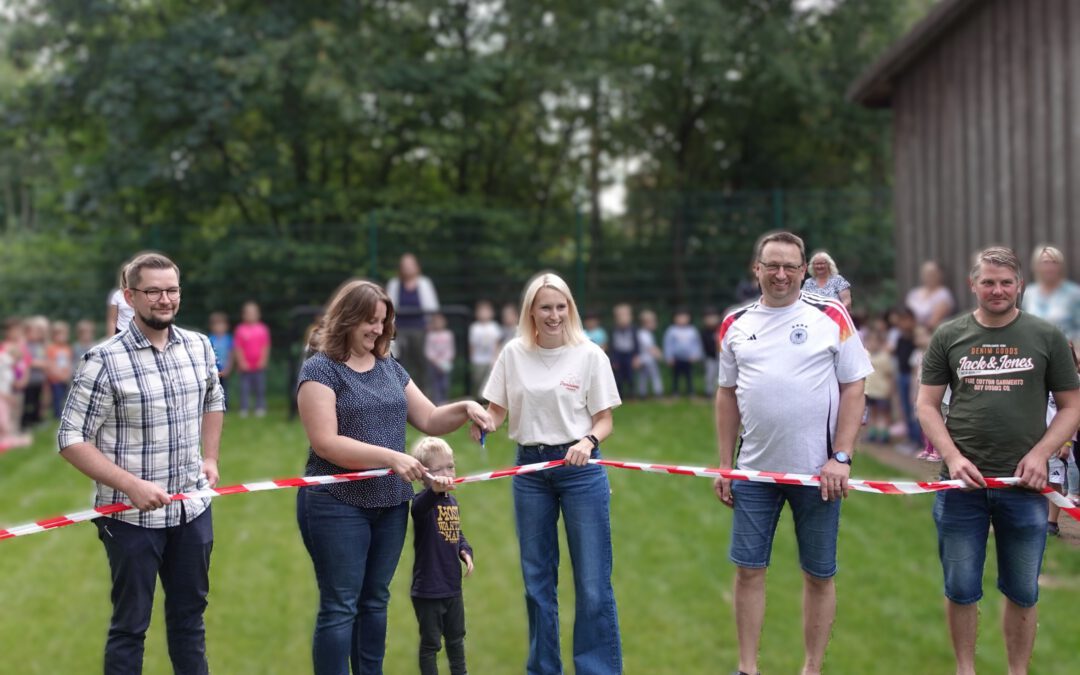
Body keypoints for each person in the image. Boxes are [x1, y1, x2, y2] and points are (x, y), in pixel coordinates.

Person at [294, 279, 492, 675]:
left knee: (375, 601)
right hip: (336, 505)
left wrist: (467, 407)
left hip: (390, 503)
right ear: (347, 318)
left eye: (383, 321)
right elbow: (326, 443)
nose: (378, 329)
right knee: (340, 605)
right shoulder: (319, 370)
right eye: (370, 321)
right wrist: (390, 457)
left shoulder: (388, 366)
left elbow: (429, 417)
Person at [57, 252, 225, 675]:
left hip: (192, 510)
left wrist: (210, 457)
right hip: (130, 519)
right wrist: (130, 484)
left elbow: (213, 400)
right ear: (129, 296)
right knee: (130, 627)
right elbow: (70, 438)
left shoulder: (198, 347)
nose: (164, 299)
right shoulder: (103, 360)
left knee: (190, 622)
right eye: (153, 291)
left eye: (172, 290)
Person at [916, 246, 1080, 675]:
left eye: (1006, 282)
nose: (997, 290)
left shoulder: (1046, 337)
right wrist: (952, 457)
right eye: (988, 282)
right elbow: (927, 405)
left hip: (1025, 486)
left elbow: (1072, 406)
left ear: (1020, 285)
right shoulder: (949, 335)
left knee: (1023, 589)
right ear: (973, 284)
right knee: (960, 586)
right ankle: (965, 669)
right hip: (960, 485)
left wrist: (1041, 454)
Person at [713, 231, 871, 675]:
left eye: (789, 266)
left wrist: (841, 457)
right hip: (753, 473)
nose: (780, 274)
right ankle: (747, 668)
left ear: (803, 271)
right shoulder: (735, 323)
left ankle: (812, 668)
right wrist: (724, 465)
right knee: (748, 570)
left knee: (819, 574)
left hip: (819, 475)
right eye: (772, 265)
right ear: (757, 269)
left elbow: (855, 386)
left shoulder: (831, 314)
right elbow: (726, 394)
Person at [476, 271, 622, 675]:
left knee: (592, 584)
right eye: (545, 307)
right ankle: (544, 668)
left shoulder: (589, 354)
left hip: (580, 470)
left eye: (561, 306)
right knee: (537, 583)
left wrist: (587, 442)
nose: (554, 315)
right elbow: (496, 411)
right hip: (530, 472)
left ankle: (597, 669)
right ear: (531, 312)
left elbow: (605, 419)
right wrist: (483, 422)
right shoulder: (513, 353)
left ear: (569, 309)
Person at [409, 436, 474, 675]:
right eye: (438, 470)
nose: (447, 473)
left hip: (452, 587)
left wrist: (465, 551)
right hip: (428, 590)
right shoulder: (422, 503)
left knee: (456, 640)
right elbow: (418, 508)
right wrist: (434, 490)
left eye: (450, 466)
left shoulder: (452, 501)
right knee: (431, 644)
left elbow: (456, 533)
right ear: (423, 475)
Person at [1022, 245, 1080, 511]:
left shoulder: (1073, 294)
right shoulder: (1031, 294)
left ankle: (1065, 479)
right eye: (1044, 262)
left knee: (1063, 408)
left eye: (1053, 262)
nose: (1049, 266)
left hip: (1066, 358)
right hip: (1036, 361)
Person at [386, 253, 440, 390]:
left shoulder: (424, 283)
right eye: (405, 265)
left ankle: (425, 393)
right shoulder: (394, 284)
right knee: (401, 362)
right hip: (399, 330)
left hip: (421, 330)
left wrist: (432, 325)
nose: (407, 268)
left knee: (422, 363)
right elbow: (389, 308)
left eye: (410, 264)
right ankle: (401, 393)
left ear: (417, 267)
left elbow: (433, 307)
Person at [234, 300, 270, 417]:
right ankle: (244, 408)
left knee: (260, 388)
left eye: (253, 313)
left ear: (258, 314)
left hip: (259, 366)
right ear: (243, 315)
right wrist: (241, 362)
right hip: (245, 366)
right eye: (248, 313)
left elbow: (265, 346)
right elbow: (238, 347)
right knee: (244, 389)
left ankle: (260, 407)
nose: (251, 315)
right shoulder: (240, 329)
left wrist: (263, 360)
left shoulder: (263, 329)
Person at [862, 330, 894, 444]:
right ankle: (873, 433)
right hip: (870, 391)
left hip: (882, 392)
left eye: (874, 341)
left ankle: (884, 434)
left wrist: (890, 390)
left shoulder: (885, 357)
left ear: (880, 343)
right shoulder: (866, 355)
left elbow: (890, 375)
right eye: (869, 341)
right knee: (872, 412)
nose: (871, 344)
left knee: (883, 414)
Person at [663, 309, 703, 396]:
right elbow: (668, 344)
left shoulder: (692, 330)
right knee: (675, 376)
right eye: (679, 317)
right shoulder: (671, 330)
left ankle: (690, 391)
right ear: (674, 318)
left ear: (689, 318)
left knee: (689, 376)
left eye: (684, 317)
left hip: (688, 359)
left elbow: (696, 344)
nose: (682, 319)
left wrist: (696, 355)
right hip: (676, 358)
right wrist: (669, 357)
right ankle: (675, 391)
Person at [906, 260, 955, 330]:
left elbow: (933, 322)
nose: (929, 276)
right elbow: (905, 315)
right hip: (906, 329)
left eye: (932, 273)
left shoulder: (943, 294)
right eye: (926, 273)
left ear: (940, 274)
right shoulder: (913, 293)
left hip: (928, 331)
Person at [468, 300, 501, 398]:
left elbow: (497, 343)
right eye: (481, 311)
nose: (484, 313)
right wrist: (471, 358)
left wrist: (496, 357)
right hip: (478, 360)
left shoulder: (494, 326)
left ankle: (486, 399)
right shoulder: (474, 327)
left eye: (486, 311)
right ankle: (478, 398)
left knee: (490, 381)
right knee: (478, 380)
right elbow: (472, 344)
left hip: (491, 360)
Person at [21, 315, 49, 429]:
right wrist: (41, 364)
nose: (37, 334)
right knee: (28, 402)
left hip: (39, 380)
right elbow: (27, 360)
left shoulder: (39, 345)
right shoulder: (25, 345)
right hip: (29, 380)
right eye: (35, 332)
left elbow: (44, 357)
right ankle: (26, 421)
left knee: (37, 401)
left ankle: (36, 419)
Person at [45, 320, 74, 420]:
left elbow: (69, 362)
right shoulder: (51, 348)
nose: (63, 337)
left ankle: (65, 413)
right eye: (60, 334)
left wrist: (67, 375)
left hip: (65, 377)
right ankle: (57, 415)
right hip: (55, 378)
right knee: (57, 397)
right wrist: (59, 375)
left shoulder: (68, 348)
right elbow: (50, 363)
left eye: (64, 334)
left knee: (65, 397)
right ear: (54, 336)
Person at [425, 312, 455, 405]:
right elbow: (428, 351)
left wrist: (446, 360)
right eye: (436, 322)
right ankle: (437, 402)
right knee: (435, 384)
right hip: (434, 364)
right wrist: (435, 361)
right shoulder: (430, 335)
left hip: (445, 363)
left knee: (445, 384)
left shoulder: (448, 334)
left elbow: (451, 349)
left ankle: (445, 401)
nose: (438, 324)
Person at [609, 303, 639, 398]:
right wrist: (613, 360)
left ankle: (632, 394)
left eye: (625, 315)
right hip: (618, 355)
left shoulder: (634, 330)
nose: (623, 318)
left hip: (629, 355)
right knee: (618, 376)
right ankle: (619, 394)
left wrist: (636, 357)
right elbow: (612, 346)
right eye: (620, 316)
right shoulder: (613, 330)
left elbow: (636, 344)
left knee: (630, 376)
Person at [208, 312, 234, 408]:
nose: (218, 327)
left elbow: (231, 355)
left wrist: (228, 368)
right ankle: (214, 405)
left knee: (225, 388)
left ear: (226, 326)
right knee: (214, 388)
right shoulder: (209, 339)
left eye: (221, 324)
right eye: (216, 325)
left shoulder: (228, 339)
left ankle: (225, 405)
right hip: (214, 370)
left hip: (225, 369)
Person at [636, 309, 664, 398]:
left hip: (644, 358)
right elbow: (650, 347)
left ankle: (642, 392)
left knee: (643, 376)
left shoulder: (645, 333)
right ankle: (658, 392)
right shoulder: (644, 334)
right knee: (655, 375)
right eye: (653, 322)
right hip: (648, 359)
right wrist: (658, 354)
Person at [106, 265, 135, 337]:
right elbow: (112, 320)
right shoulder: (117, 295)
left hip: (139, 332)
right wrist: (111, 338)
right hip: (121, 332)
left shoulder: (142, 294)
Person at [701, 307, 721, 397]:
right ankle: (709, 391)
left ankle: (720, 392)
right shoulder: (704, 332)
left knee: (722, 376)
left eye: (713, 317)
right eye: (708, 318)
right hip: (710, 357)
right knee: (710, 375)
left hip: (722, 357)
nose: (711, 320)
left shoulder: (721, 329)